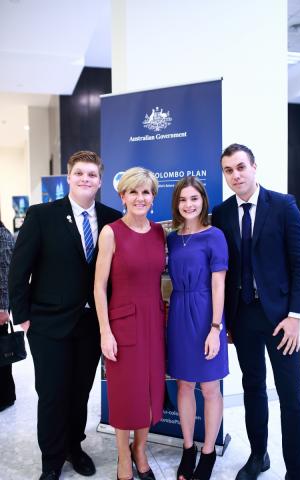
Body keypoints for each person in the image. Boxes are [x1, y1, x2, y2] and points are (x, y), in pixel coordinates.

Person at [8, 151, 121, 480]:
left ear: (100, 181)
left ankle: (75, 445)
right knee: (53, 394)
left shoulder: (113, 218)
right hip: (48, 324)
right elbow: (19, 270)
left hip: (91, 324)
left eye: (92, 174)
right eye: (79, 173)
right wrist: (23, 316)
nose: (86, 179)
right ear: (69, 178)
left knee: (80, 392)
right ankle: (52, 460)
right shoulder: (42, 215)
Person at [211, 143, 300, 480]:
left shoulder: (283, 206)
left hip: (282, 319)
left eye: (241, 167)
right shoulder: (222, 213)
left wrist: (296, 317)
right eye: (229, 170)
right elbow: (222, 272)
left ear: (254, 167)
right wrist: (223, 321)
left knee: (290, 394)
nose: (236, 175)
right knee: (253, 387)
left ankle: (297, 471)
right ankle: (258, 456)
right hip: (244, 317)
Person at [94, 167, 166, 480]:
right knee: (126, 396)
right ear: (122, 196)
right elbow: (98, 287)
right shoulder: (111, 232)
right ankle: (124, 458)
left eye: (146, 192)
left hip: (154, 322)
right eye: (133, 192)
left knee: (150, 393)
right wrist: (105, 332)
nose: (140, 197)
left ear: (153, 198)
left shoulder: (159, 232)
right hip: (122, 324)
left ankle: (141, 449)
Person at [167, 176, 229, 480]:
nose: (188, 204)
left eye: (194, 198)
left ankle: (208, 453)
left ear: (203, 200)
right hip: (178, 312)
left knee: (210, 387)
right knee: (183, 385)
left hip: (206, 313)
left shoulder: (215, 235)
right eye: (182, 199)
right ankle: (188, 448)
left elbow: (219, 284)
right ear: (176, 204)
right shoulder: (172, 238)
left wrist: (215, 328)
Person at [0, 219, 16, 412]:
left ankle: (5, 396)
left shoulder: (3, 236)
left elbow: (5, 275)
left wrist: (3, 308)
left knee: (2, 352)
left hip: (0, 305)